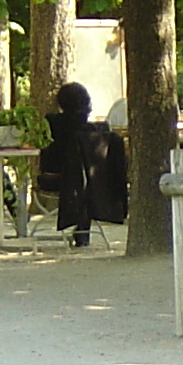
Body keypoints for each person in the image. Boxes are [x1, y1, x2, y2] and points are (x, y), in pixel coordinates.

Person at [37, 82, 128, 248]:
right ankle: (83, 230)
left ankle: (80, 228)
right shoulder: (97, 131)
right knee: (82, 180)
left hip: (57, 179)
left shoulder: (52, 124)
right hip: (93, 183)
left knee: (77, 177)